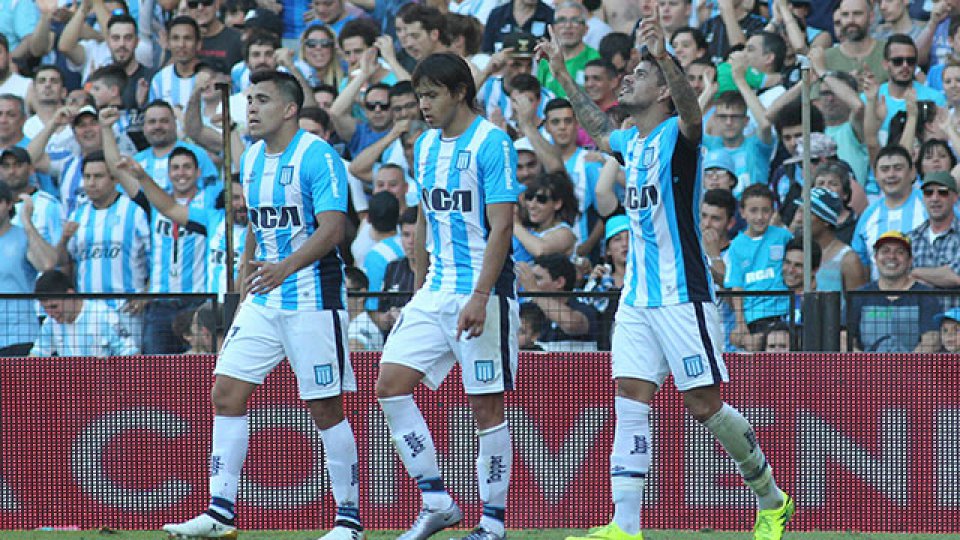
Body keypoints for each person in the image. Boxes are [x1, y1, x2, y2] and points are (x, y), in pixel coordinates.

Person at [540, 7, 794, 539]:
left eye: (641, 74)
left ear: (662, 92)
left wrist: (663, 54)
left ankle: (772, 499)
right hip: (636, 296)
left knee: (704, 405)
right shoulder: (632, 143)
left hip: (684, 294)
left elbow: (692, 113)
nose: (628, 76)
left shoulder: (681, 138)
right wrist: (562, 76)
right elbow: (598, 126)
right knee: (630, 398)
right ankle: (624, 526)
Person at [161, 70, 364, 540]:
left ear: (290, 109)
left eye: (261, 100)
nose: (250, 108)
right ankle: (220, 513)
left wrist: (283, 268)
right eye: (249, 99)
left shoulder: (319, 156)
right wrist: (246, 268)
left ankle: (349, 521)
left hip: (313, 296)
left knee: (325, 408)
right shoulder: (251, 158)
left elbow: (333, 228)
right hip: (264, 294)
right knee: (225, 394)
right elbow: (256, 219)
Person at [375, 53, 521, 540]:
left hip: (483, 293)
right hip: (434, 291)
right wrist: (418, 288)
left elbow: (502, 225)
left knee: (485, 409)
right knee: (390, 383)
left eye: (431, 94)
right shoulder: (426, 146)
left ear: (460, 92)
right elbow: (423, 220)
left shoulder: (492, 143)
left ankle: (493, 523)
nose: (422, 105)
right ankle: (436, 500)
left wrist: (480, 294)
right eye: (419, 96)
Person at [848, 231, 940, 352]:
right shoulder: (859, 296)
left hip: (913, 370)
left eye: (900, 252)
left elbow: (932, 340)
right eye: (885, 251)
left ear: (910, 260)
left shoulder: (926, 296)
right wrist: (867, 367)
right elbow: (844, 338)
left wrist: (904, 368)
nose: (891, 256)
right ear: (875, 258)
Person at [726, 184, 793, 350]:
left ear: (772, 211)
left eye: (765, 210)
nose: (760, 216)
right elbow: (737, 286)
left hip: (784, 311)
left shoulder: (783, 236)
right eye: (753, 210)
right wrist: (740, 323)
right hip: (755, 317)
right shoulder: (736, 245)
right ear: (742, 212)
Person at [0, 182, 56, 356]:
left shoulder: (23, 237)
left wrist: (27, 222)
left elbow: (47, 264)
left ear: (9, 204)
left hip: (19, 335)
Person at [30, 269, 137, 357]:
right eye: (45, 308)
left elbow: (132, 355)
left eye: (54, 306)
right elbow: (35, 356)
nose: (50, 314)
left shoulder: (104, 316)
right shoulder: (50, 323)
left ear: (70, 295)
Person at [517, 253, 599, 351]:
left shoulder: (584, 309)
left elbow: (571, 325)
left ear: (559, 282)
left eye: (538, 279)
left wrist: (534, 290)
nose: (532, 283)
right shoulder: (529, 311)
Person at [908, 171, 960, 289]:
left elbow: (955, 277)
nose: (935, 198)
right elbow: (900, 279)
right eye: (928, 193)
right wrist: (939, 277)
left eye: (942, 192)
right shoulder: (911, 238)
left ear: (955, 198)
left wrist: (915, 273)